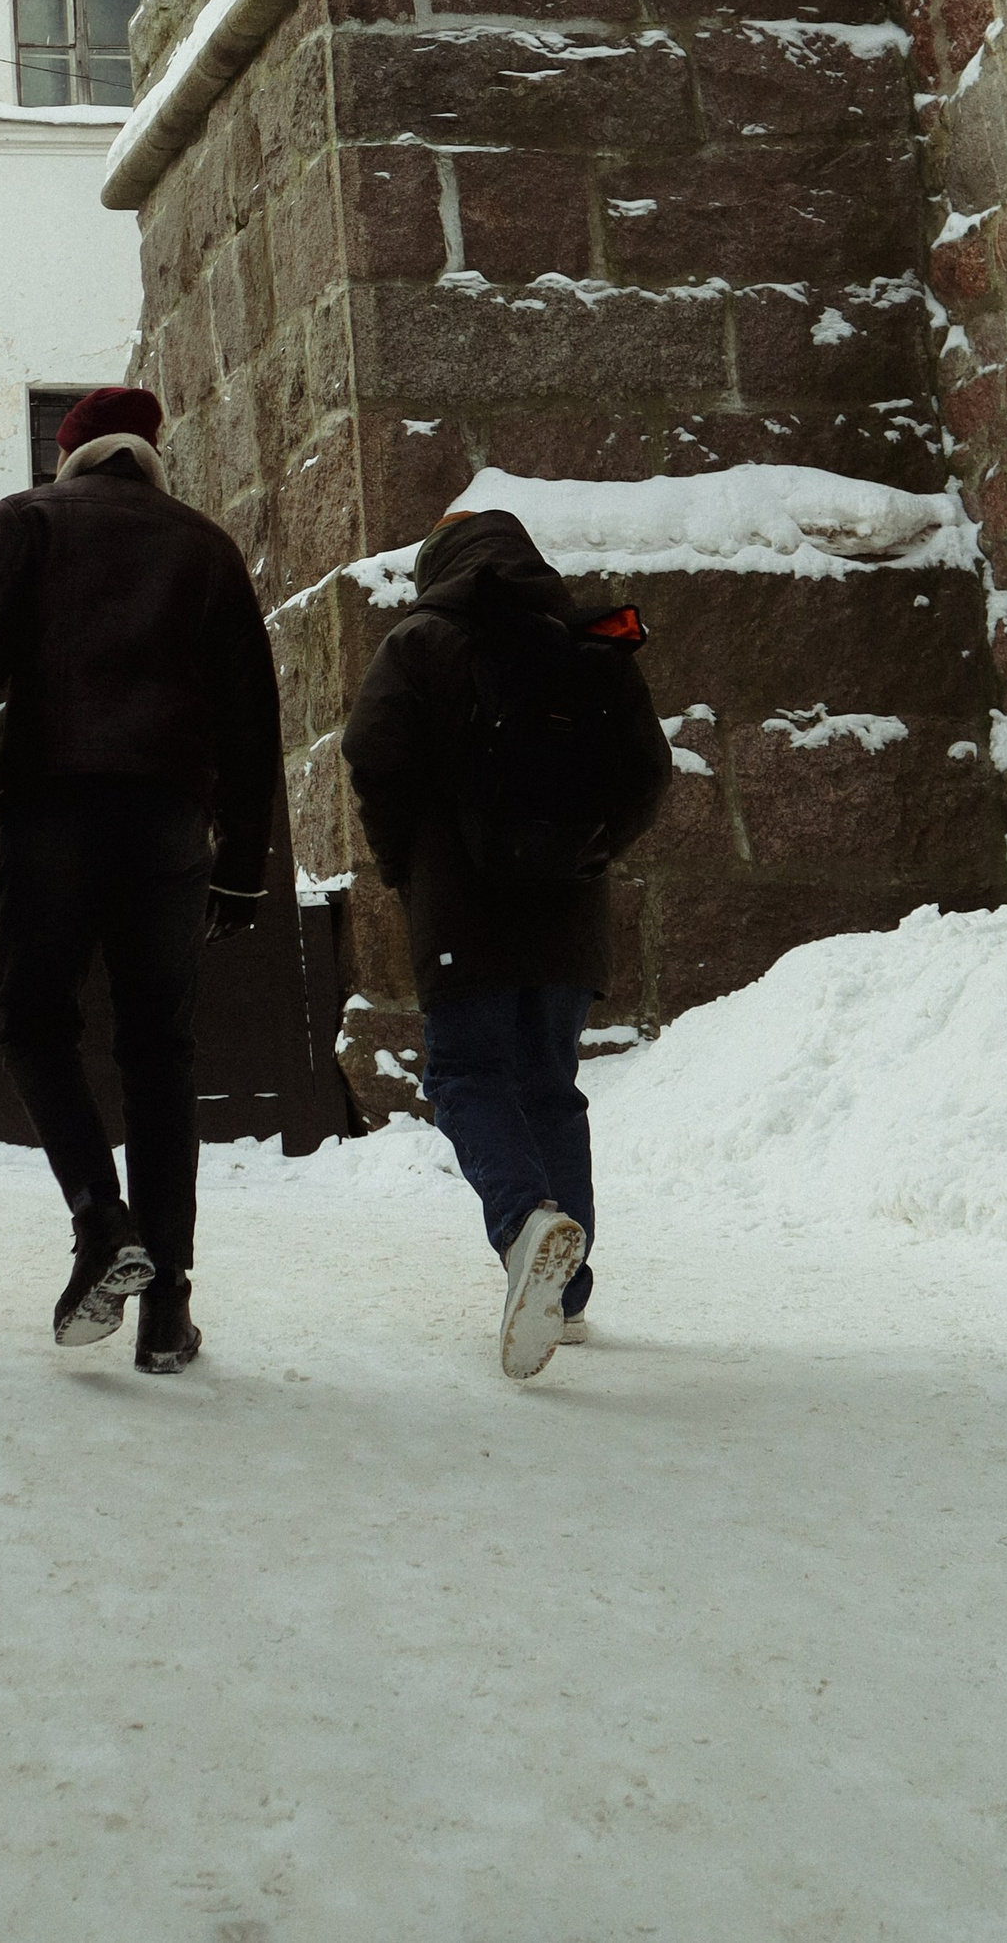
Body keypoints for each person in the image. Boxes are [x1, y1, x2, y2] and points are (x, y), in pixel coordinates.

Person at [0, 383, 282, 1372]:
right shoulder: (202, 544)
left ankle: (100, 1221)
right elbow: (252, 712)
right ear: (149, 456)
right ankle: (166, 1306)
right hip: (169, 821)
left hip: (53, 812)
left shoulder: (26, 520)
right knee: (159, 1048)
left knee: (33, 1022)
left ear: (69, 455)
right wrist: (242, 865)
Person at [341, 504, 669, 1380]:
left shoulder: (422, 640)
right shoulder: (590, 640)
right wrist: (597, 847)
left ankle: (527, 1226)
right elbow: (648, 774)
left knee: (464, 1078)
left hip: (462, 910)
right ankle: (568, 1289)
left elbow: (370, 754)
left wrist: (403, 862)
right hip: (569, 915)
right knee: (550, 1088)